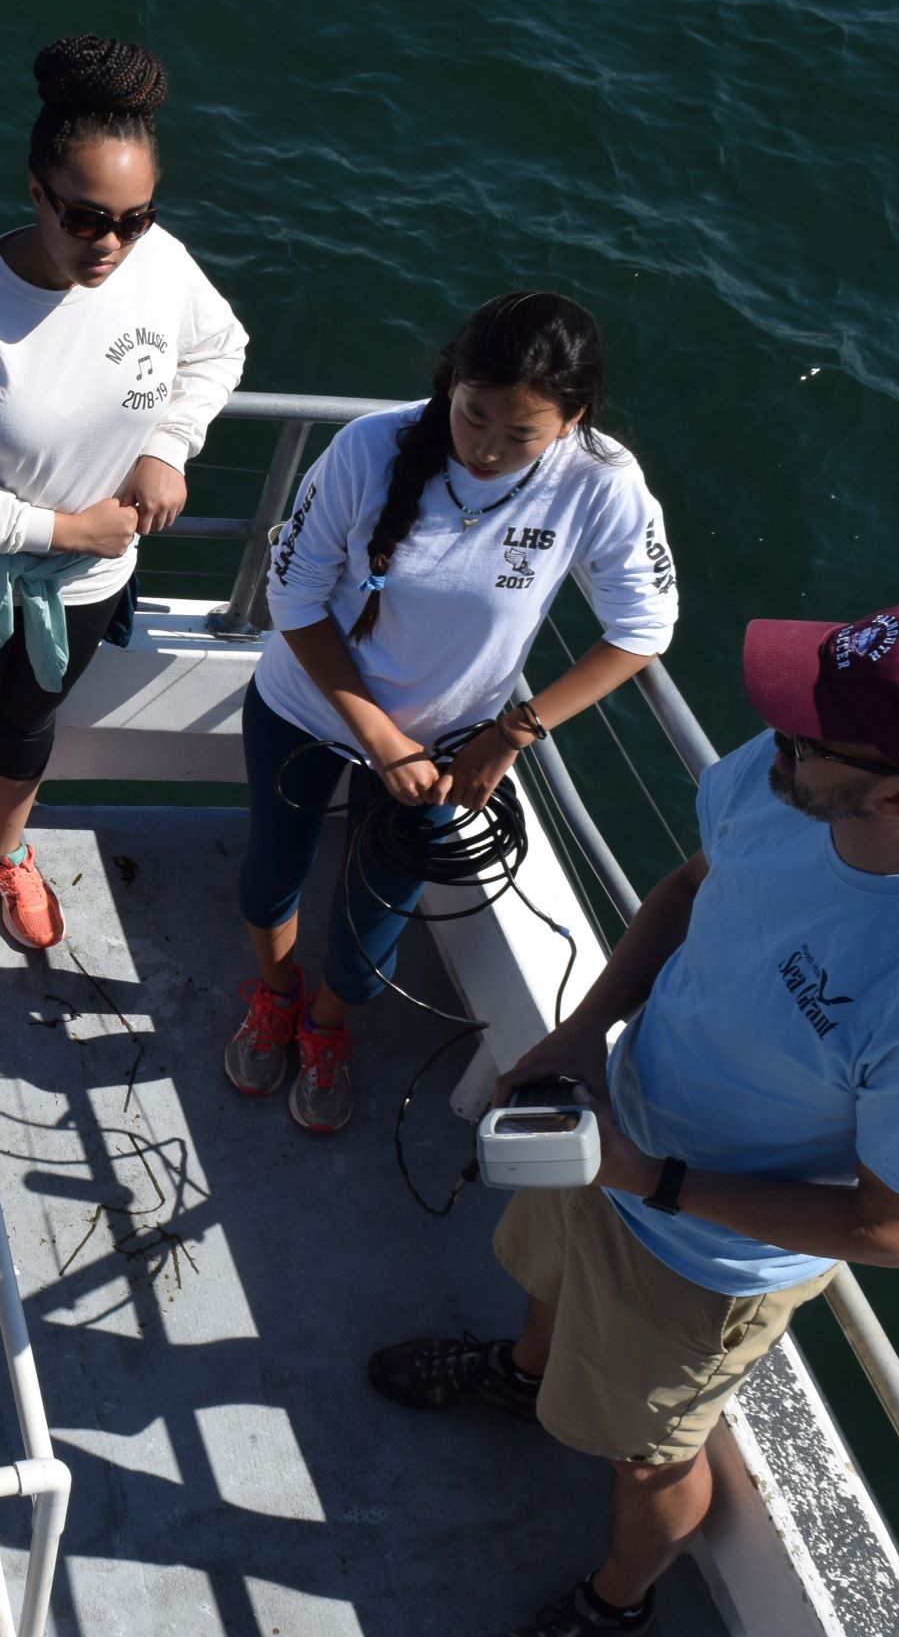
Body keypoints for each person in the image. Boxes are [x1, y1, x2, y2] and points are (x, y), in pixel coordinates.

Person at [370, 599, 899, 1637]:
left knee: (643, 1454)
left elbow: (898, 1233)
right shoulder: (791, 776)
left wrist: (650, 1181)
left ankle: (616, 1600)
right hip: (608, 1120)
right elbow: (700, 885)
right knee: (542, 1277)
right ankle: (518, 1375)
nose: (770, 737)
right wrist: (579, 1033)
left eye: (804, 729)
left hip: (701, 1258)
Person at [229, 292, 679, 1131]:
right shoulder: (368, 448)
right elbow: (291, 594)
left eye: (521, 435)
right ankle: (276, 994)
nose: (487, 448)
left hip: (448, 750)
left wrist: (514, 729)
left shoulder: (603, 483)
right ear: (451, 384)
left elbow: (645, 626)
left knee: (375, 923)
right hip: (305, 710)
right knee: (270, 875)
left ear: (573, 420)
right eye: (474, 418)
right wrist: (380, 736)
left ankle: (329, 1025)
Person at [0, 35, 247, 960]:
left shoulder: (159, 264)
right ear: (36, 191)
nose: (115, 244)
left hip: (86, 578)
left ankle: (3, 853)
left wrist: (169, 446)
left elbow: (220, 348)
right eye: (88, 218)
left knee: (29, 721)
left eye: (136, 217)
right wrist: (66, 526)